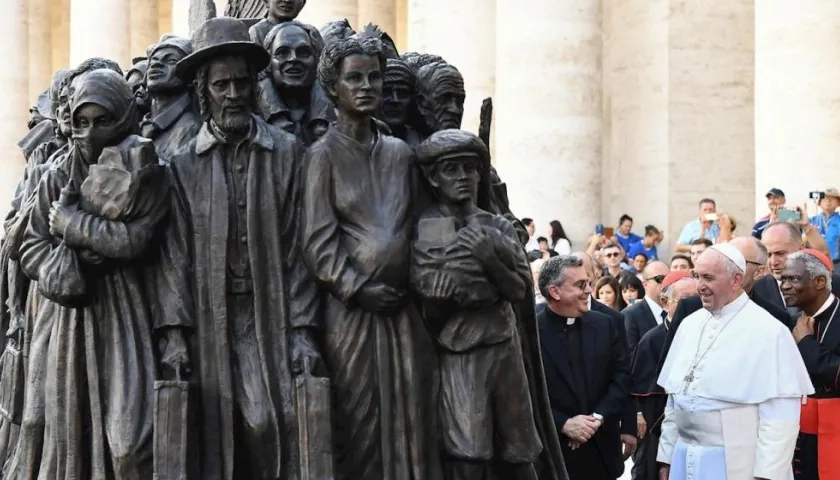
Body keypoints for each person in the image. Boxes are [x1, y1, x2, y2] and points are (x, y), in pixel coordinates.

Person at [169, 17, 322, 479]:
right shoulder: (182, 163)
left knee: (268, 423)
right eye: (221, 85)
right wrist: (172, 334)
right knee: (211, 432)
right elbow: (174, 256)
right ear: (204, 91)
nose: (232, 93)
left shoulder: (286, 152)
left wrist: (303, 328)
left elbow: (300, 246)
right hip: (205, 314)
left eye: (240, 82)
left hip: (269, 311)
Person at [17, 68, 174, 479]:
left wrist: (72, 225)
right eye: (82, 122)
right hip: (65, 317)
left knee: (127, 441)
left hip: (123, 315)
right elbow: (30, 244)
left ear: (123, 119)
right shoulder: (56, 174)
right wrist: (71, 264)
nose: (90, 133)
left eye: (103, 121)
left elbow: (137, 239)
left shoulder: (147, 169)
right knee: (58, 431)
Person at [300, 30, 439, 479]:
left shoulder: (401, 154)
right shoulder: (320, 156)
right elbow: (318, 241)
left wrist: (425, 277)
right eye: (354, 78)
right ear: (332, 88)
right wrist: (358, 289)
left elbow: (423, 225)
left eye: (374, 78)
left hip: (402, 309)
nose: (366, 87)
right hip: (352, 314)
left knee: (412, 414)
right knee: (359, 418)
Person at [410, 128, 565, 480]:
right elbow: (433, 289)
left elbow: (519, 288)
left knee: (520, 451)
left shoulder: (497, 225)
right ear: (434, 177)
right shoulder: (430, 227)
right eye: (451, 169)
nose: (462, 177)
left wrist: (489, 262)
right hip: (460, 350)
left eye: (469, 168)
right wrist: (487, 283)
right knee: (468, 452)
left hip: (503, 347)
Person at [657, 244, 814, 480]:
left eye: (709, 278)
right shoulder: (689, 325)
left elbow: (780, 418)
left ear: (736, 279)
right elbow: (674, 401)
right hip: (684, 456)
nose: (700, 286)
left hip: (737, 462)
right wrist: (666, 457)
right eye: (697, 276)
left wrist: (767, 476)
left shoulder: (768, 331)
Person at [538, 256, 631, 480]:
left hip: (601, 452)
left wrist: (596, 419)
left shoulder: (604, 324)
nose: (589, 290)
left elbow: (622, 378)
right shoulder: (530, 332)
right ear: (555, 292)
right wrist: (563, 423)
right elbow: (522, 393)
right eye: (580, 285)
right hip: (554, 454)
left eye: (588, 283)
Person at [630, 271, 696, 480]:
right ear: (666, 301)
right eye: (686, 300)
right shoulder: (651, 340)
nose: (694, 306)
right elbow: (643, 391)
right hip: (657, 429)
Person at [781, 249, 840, 480]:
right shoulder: (791, 322)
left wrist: (806, 343)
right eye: (782, 279)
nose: (784, 286)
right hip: (800, 437)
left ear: (820, 281)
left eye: (793, 279)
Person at [257, 21, 335, 145]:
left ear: (317, 60)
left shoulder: (343, 119)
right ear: (269, 63)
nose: (293, 58)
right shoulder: (251, 121)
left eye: (303, 52)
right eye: (282, 53)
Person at [756, 221, 839, 320]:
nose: (773, 262)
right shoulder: (756, 291)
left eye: (780, 253)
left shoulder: (831, 285)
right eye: (768, 255)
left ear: (801, 248)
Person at [140, 34, 201, 162]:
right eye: (153, 61)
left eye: (171, 60)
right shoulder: (141, 124)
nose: (156, 65)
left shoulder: (190, 129)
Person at [623, 261, 670, 354]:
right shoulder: (630, 315)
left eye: (668, 278)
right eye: (660, 279)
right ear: (645, 284)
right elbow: (631, 356)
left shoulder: (676, 310)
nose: (666, 283)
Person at [809, 188, 840, 267]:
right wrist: (810, 232)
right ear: (819, 202)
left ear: (838, 203)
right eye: (825, 198)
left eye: (832, 198)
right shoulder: (811, 221)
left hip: (836, 264)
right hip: (815, 263)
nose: (828, 201)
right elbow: (802, 241)